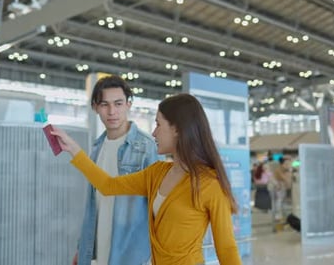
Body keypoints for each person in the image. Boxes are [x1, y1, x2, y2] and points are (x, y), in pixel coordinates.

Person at [52, 93, 241, 265]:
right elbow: (108, 186)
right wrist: (74, 150)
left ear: (177, 129)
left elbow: (226, 249)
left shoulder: (209, 184)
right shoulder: (156, 173)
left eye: (158, 124)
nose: (154, 132)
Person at [72, 75, 158, 265]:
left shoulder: (147, 147)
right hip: (100, 253)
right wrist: (83, 247)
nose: (112, 112)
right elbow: (93, 205)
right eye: (105, 105)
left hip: (133, 254)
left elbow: (157, 209)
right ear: (95, 107)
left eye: (118, 104)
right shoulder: (96, 147)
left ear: (128, 105)